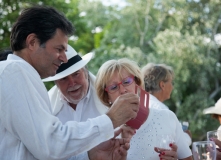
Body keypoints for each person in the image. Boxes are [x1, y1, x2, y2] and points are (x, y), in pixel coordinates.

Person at [0, 6, 139, 160]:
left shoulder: (16, 73)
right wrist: (111, 119)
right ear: (32, 42)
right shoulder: (14, 71)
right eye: (59, 49)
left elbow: (38, 149)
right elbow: (50, 144)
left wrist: (90, 155)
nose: (64, 59)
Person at [95, 58, 193, 160]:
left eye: (127, 81)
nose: (123, 90)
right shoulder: (103, 133)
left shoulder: (167, 117)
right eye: (114, 87)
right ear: (107, 97)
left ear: (137, 83)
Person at [141, 63, 192, 146]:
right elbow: (172, 145)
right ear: (162, 85)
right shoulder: (161, 110)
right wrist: (187, 137)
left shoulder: (138, 105)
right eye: (171, 82)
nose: (172, 87)